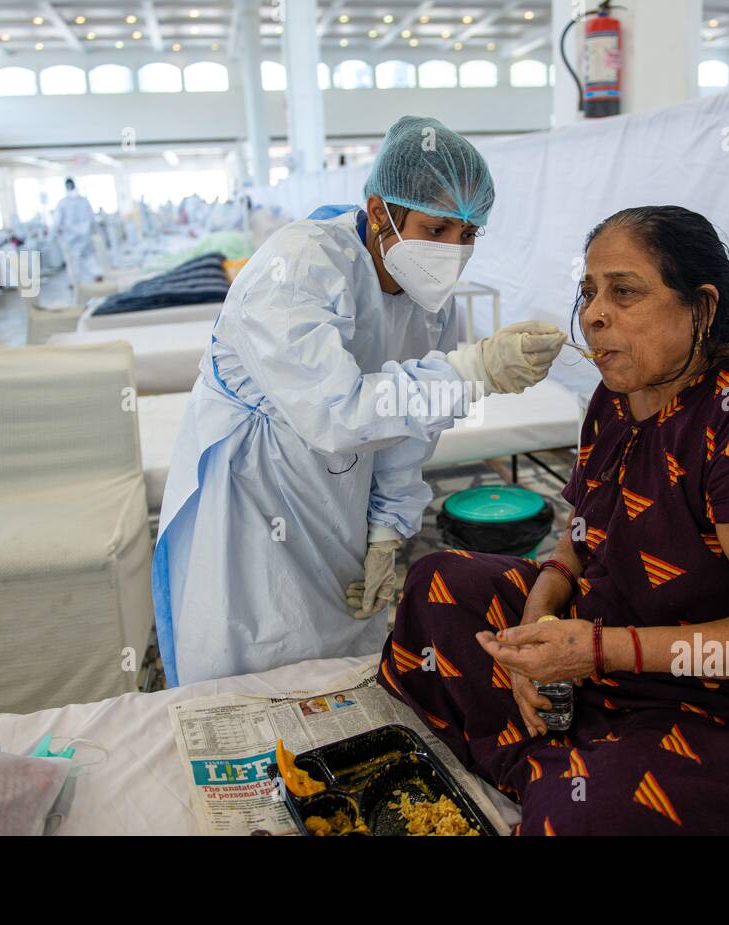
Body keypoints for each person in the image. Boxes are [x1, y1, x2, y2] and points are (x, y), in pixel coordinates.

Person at [380, 205, 729, 835]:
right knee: (436, 586)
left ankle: (576, 770)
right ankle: (570, 753)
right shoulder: (616, 399)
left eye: (624, 292)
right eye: (588, 292)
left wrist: (598, 651)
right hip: (609, 635)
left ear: (702, 307)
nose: (592, 313)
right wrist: (540, 617)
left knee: (598, 815)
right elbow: (584, 533)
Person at [152, 116, 566, 686]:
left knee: (343, 647)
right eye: (437, 228)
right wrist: (474, 371)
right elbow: (336, 412)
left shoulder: (432, 303)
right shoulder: (299, 267)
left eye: (469, 235)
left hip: (341, 481)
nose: (453, 250)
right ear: (379, 212)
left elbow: (407, 429)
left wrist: (388, 528)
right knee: (252, 640)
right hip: (255, 483)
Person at [52, 177, 100, 281]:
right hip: (85, 236)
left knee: (74, 261)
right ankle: (96, 276)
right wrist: (94, 231)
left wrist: (56, 234)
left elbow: (56, 222)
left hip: (71, 238)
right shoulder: (84, 201)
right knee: (89, 257)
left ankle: (77, 284)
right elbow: (92, 218)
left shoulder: (62, 203)